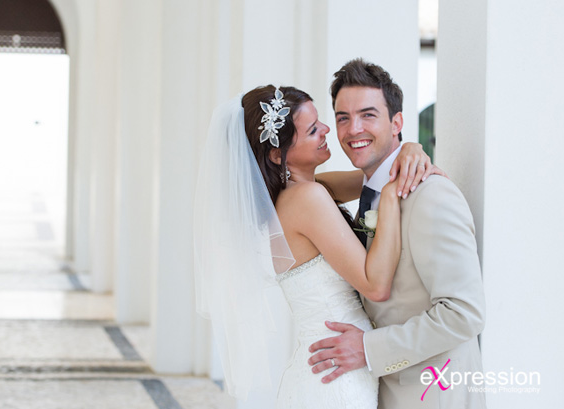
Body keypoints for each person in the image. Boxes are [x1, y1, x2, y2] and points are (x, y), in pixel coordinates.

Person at [194, 85, 442, 408]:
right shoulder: (305, 200)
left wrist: (410, 149)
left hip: (329, 367)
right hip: (335, 380)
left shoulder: (299, 193)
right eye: (313, 130)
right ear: (275, 154)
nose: (327, 130)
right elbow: (376, 285)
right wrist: (392, 198)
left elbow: (377, 173)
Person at [307, 59, 487, 408]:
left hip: (434, 395)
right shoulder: (369, 189)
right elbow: (303, 189)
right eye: (343, 117)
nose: (353, 129)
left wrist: (368, 349)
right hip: (383, 390)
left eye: (368, 115)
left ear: (398, 122)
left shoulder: (431, 195)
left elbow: (465, 313)